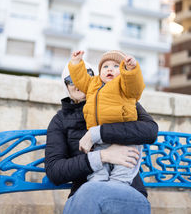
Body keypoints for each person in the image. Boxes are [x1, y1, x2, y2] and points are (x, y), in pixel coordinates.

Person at [45, 61, 158, 214]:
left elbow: (150, 131)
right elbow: (55, 171)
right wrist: (102, 156)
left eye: (88, 74)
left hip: (128, 188)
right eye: (70, 81)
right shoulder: (60, 120)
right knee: (91, 192)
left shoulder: (122, 101)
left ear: (95, 77)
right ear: (66, 87)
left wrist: (97, 133)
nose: (77, 84)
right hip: (85, 192)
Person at [68, 50, 145, 184]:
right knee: (97, 173)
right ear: (100, 71)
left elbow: (135, 86)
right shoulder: (93, 83)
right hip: (100, 139)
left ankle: (118, 187)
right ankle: (97, 186)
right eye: (105, 66)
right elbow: (80, 79)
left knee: (123, 171)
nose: (110, 69)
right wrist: (76, 63)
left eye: (116, 66)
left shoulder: (124, 85)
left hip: (124, 138)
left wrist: (131, 70)